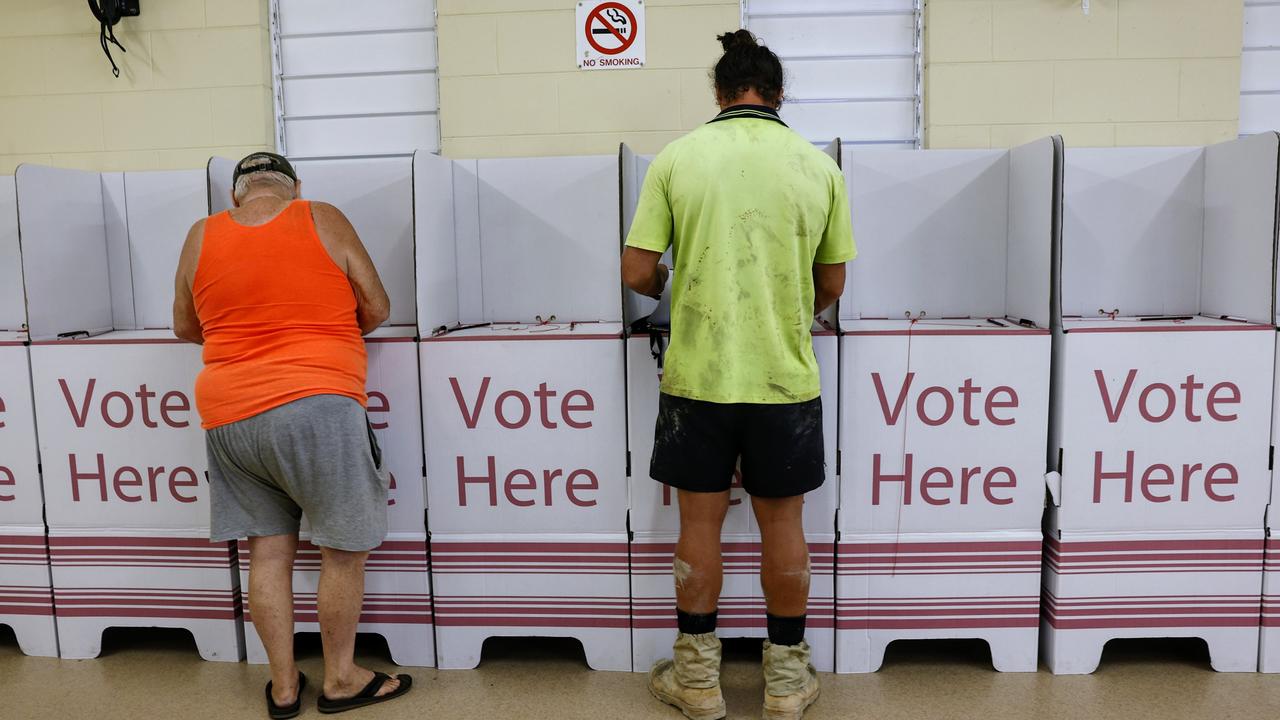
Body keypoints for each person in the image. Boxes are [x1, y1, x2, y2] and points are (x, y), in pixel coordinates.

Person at [621, 30, 856, 720]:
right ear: (778, 95)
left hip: (697, 377)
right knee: (784, 524)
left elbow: (637, 272)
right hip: (785, 382)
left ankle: (697, 682)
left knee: (699, 523)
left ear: (720, 93)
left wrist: (680, 278)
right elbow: (833, 281)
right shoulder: (818, 168)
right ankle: (785, 683)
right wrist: (789, 308)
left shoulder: (679, 157)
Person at [172, 152, 413, 718]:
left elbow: (185, 325)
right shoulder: (319, 216)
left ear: (236, 194)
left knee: (267, 552)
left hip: (229, 415)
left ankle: (283, 689)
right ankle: (342, 680)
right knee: (342, 550)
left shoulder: (200, 234)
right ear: (294, 188)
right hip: (316, 404)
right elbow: (377, 306)